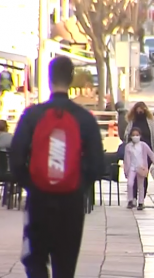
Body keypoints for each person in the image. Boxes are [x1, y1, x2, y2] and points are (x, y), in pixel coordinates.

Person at [10, 56, 104, 278]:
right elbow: (97, 165)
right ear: (71, 79)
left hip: (39, 200)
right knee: (65, 265)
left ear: (49, 78)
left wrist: (32, 184)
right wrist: (78, 185)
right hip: (71, 202)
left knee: (34, 259)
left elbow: (15, 158)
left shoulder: (32, 115)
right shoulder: (84, 118)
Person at [124, 102, 154, 203]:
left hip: (146, 152)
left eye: (142, 108)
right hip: (134, 152)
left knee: (143, 175)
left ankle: (141, 197)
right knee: (133, 177)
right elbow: (126, 134)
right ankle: (133, 197)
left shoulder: (150, 121)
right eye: (138, 109)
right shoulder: (132, 122)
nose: (140, 111)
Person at [124, 127, 154, 210]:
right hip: (132, 167)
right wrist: (126, 170)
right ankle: (130, 200)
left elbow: (151, 154)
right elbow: (126, 159)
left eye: (137, 135)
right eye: (133, 135)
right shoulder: (128, 146)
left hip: (141, 167)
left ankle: (141, 202)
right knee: (130, 183)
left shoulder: (143, 145)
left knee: (141, 185)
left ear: (140, 136)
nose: (135, 137)